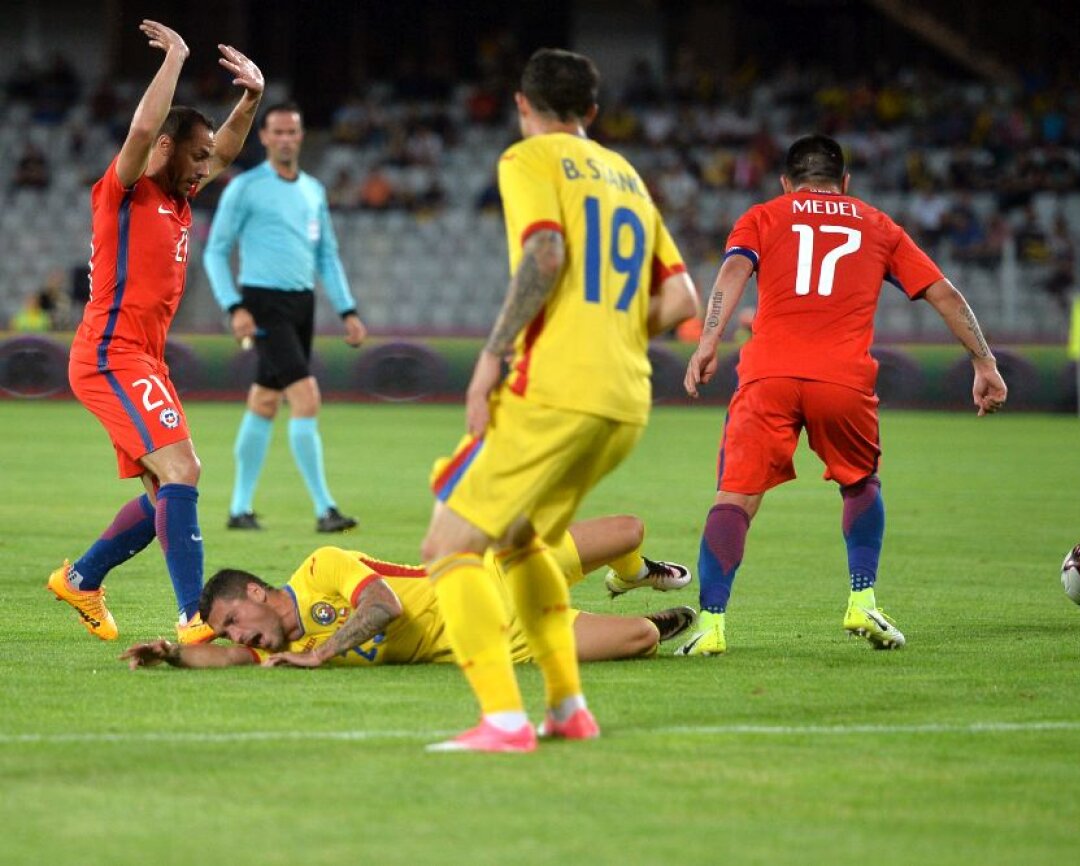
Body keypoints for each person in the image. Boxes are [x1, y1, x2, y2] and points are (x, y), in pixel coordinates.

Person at [418, 48, 699, 753]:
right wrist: (610, 335)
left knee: (448, 545)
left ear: (523, 105)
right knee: (520, 541)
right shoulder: (627, 176)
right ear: (592, 112)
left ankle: (502, 721)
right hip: (625, 400)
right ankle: (568, 709)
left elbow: (544, 254)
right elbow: (681, 299)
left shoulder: (529, 158)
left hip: (554, 390)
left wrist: (491, 356)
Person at [679, 134, 1007, 656]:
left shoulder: (763, 216)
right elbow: (944, 293)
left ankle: (711, 625)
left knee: (735, 497)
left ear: (786, 183)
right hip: (843, 379)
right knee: (859, 483)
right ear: (845, 182)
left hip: (768, 376)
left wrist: (708, 341)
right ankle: (862, 600)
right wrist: (983, 362)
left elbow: (733, 271)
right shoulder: (878, 225)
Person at [47, 20, 263, 644]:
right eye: (196, 157)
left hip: (143, 358)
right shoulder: (124, 191)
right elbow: (144, 130)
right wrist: (176, 59)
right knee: (183, 469)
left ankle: (82, 579)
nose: (206, 168)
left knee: (166, 487)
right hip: (110, 355)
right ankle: (194, 616)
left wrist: (250, 98)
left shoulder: (179, 199)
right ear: (167, 149)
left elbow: (225, 150)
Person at [119, 515, 695, 670]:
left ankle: (631, 573)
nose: (237, 636)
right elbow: (222, 660)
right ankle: (642, 615)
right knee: (641, 638)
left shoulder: (321, 566)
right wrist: (170, 654)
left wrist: (324, 652)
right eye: (229, 633)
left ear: (255, 591)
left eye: (233, 620)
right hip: (502, 637)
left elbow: (384, 606)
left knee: (628, 530)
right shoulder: (276, 649)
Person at [203, 102, 366, 534]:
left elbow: (327, 254)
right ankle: (325, 509)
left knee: (265, 401)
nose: (286, 139)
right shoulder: (245, 188)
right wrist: (234, 306)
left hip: (301, 304)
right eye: (277, 131)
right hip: (263, 304)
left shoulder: (313, 190)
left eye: (292, 131)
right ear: (264, 137)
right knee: (306, 397)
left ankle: (239, 509)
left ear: (301, 136)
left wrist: (347, 310)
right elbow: (216, 251)